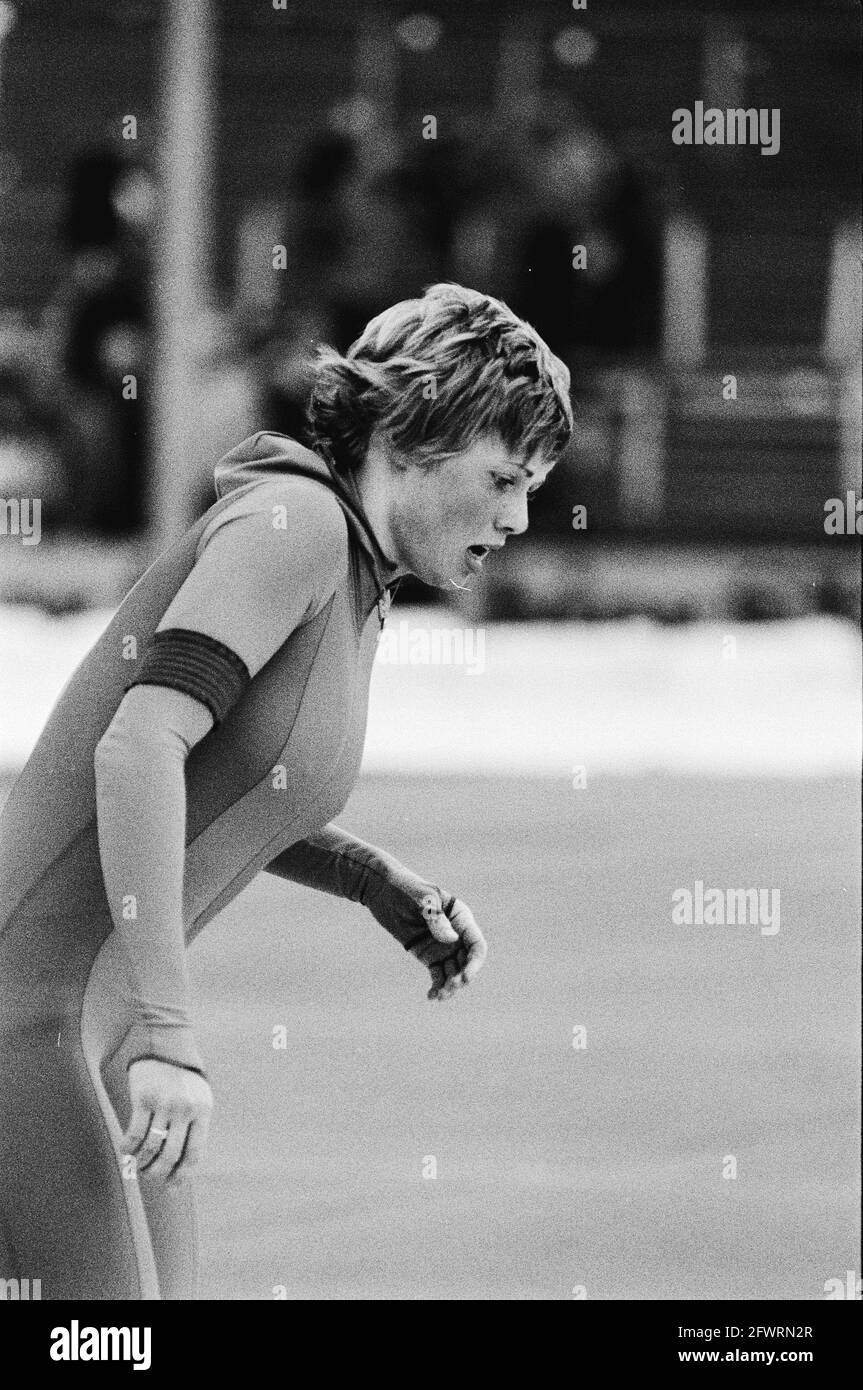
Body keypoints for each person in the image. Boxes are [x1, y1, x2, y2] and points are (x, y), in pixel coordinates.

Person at [0, 282, 573, 1299]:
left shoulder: (353, 576)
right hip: (38, 1030)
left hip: (93, 1027)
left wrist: (370, 879)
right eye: (502, 477)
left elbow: (228, 780)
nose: (518, 516)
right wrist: (168, 1032)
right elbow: (139, 749)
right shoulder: (292, 525)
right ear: (417, 431)